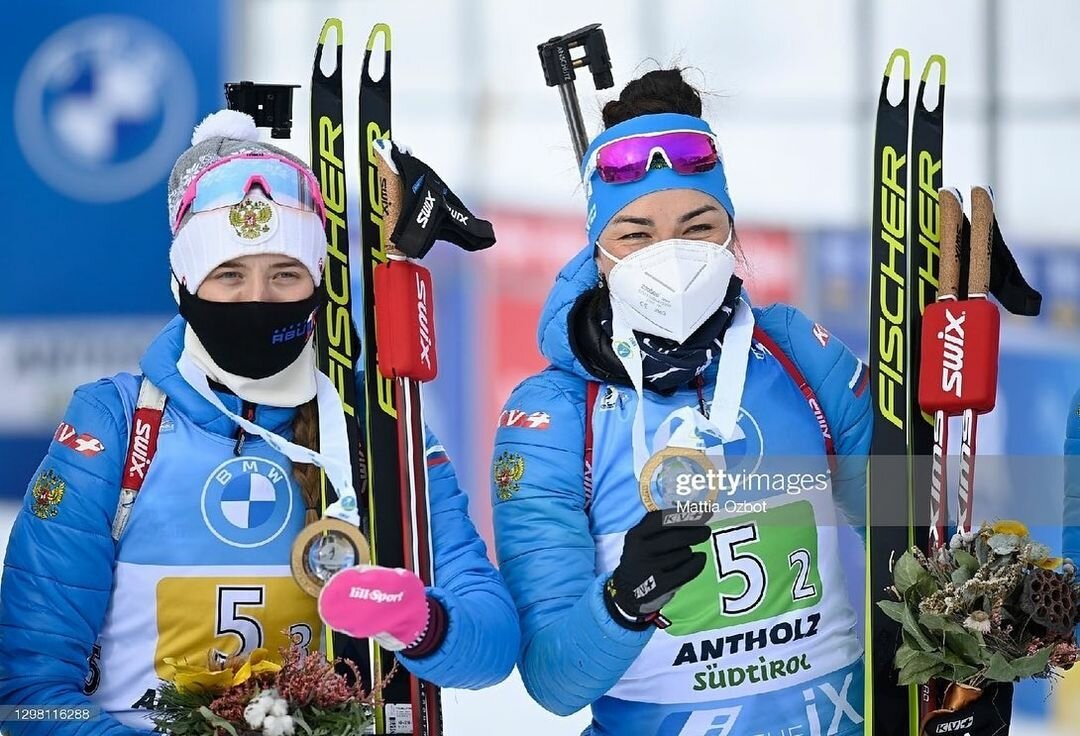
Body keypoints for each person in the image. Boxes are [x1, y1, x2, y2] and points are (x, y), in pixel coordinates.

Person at [0, 110, 518, 734]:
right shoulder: (115, 425)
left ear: (317, 286)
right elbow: (27, 692)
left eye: (285, 274)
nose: (257, 299)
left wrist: (423, 622)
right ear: (184, 285)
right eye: (228, 274)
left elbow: (492, 644)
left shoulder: (373, 425)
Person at [490, 69, 871, 736]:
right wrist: (624, 601)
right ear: (600, 253)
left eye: (697, 226)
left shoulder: (799, 356)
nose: (671, 256)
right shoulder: (553, 417)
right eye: (636, 235)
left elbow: (918, 546)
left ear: (730, 233)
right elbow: (551, 681)